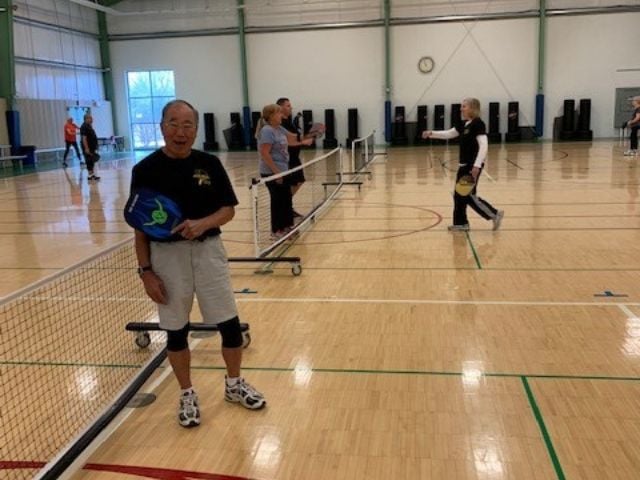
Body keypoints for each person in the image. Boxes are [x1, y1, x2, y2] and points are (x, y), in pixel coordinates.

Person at [130, 99, 265, 428]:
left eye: (188, 124)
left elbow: (228, 210)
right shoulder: (145, 170)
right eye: (173, 124)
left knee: (229, 324)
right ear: (162, 127)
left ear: (196, 129)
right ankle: (187, 392)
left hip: (208, 251)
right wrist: (146, 273)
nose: (180, 131)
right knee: (176, 331)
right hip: (167, 258)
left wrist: (203, 223)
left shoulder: (210, 164)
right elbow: (140, 228)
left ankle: (234, 385)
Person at [422, 97, 504, 231]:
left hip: (471, 166)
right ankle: (463, 223)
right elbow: (449, 133)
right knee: (461, 195)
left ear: (472, 108)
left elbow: (483, 145)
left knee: (465, 195)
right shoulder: (463, 124)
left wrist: (477, 165)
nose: (461, 109)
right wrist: (431, 133)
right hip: (463, 166)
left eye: (464, 106)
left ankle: (492, 215)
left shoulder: (478, 124)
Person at [256, 103, 312, 239]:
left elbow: (292, 140)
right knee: (277, 201)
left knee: (286, 199)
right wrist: (277, 173)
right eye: (279, 113)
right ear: (271, 116)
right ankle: (276, 230)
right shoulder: (267, 131)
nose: (282, 115)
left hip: (283, 170)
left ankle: (286, 226)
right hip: (271, 172)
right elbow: (264, 153)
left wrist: (304, 141)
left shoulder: (279, 128)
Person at [276, 98, 323, 219]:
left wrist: (308, 137)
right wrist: (303, 141)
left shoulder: (289, 121)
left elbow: (296, 136)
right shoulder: (280, 123)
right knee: (292, 182)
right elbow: (287, 140)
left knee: (299, 181)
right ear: (280, 107)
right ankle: (285, 206)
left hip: (295, 158)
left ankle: (286, 205)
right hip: (287, 159)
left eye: (290, 105)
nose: (291, 108)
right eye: (288, 106)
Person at [80, 114, 100, 181]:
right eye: (90, 118)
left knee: (92, 161)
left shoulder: (89, 126)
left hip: (92, 147)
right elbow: (84, 138)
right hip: (88, 147)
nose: (92, 119)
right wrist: (86, 148)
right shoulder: (84, 126)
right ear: (86, 119)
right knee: (89, 161)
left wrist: (96, 145)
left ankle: (93, 175)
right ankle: (90, 176)